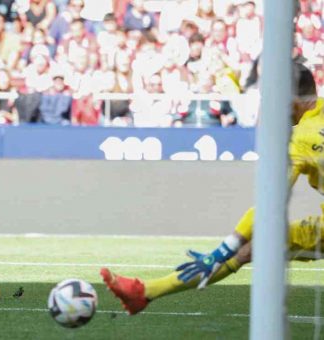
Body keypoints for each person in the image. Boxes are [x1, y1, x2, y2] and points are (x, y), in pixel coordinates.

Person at [101, 61, 324, 314]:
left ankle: (144, 293)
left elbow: (270, 205)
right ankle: (145, 292)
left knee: (254, 242)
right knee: (256, 246)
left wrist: (222, 249)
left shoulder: (300, 141)